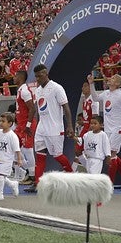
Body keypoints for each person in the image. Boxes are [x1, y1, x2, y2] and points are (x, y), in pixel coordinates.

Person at [25, 64, 74, 192]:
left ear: (46, 74)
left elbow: (66, 107)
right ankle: (38, 184)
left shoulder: (57, 88)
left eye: (39, 76)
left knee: (57, 156)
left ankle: (72, 177)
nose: (38, 79)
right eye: (36, 77)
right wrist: (28, 124)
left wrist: (69, 125)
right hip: (41, 128)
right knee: (40, 156)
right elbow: (35, 108)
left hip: (54, 129)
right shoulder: (38, 90)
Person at [89, 73, 121, 187]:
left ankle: (109, 184)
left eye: (113, 78)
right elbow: (95, 98)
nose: (110, 78)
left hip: (117, 129)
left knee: (111, 154)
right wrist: (91, 84)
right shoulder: (106, 93)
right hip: (107, 129)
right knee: (111, 155)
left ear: (117, 83)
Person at [13, 69, 37, 184]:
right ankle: (29, 170)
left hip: (27, 124)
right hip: (20, 124)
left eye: (15, 76)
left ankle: (32, 176)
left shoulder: (25, 91)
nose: (14, 78)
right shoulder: (20, 90)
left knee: (28, 149)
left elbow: (32, 108)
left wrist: (28, 125)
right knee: (15, 147)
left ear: (20, 77)